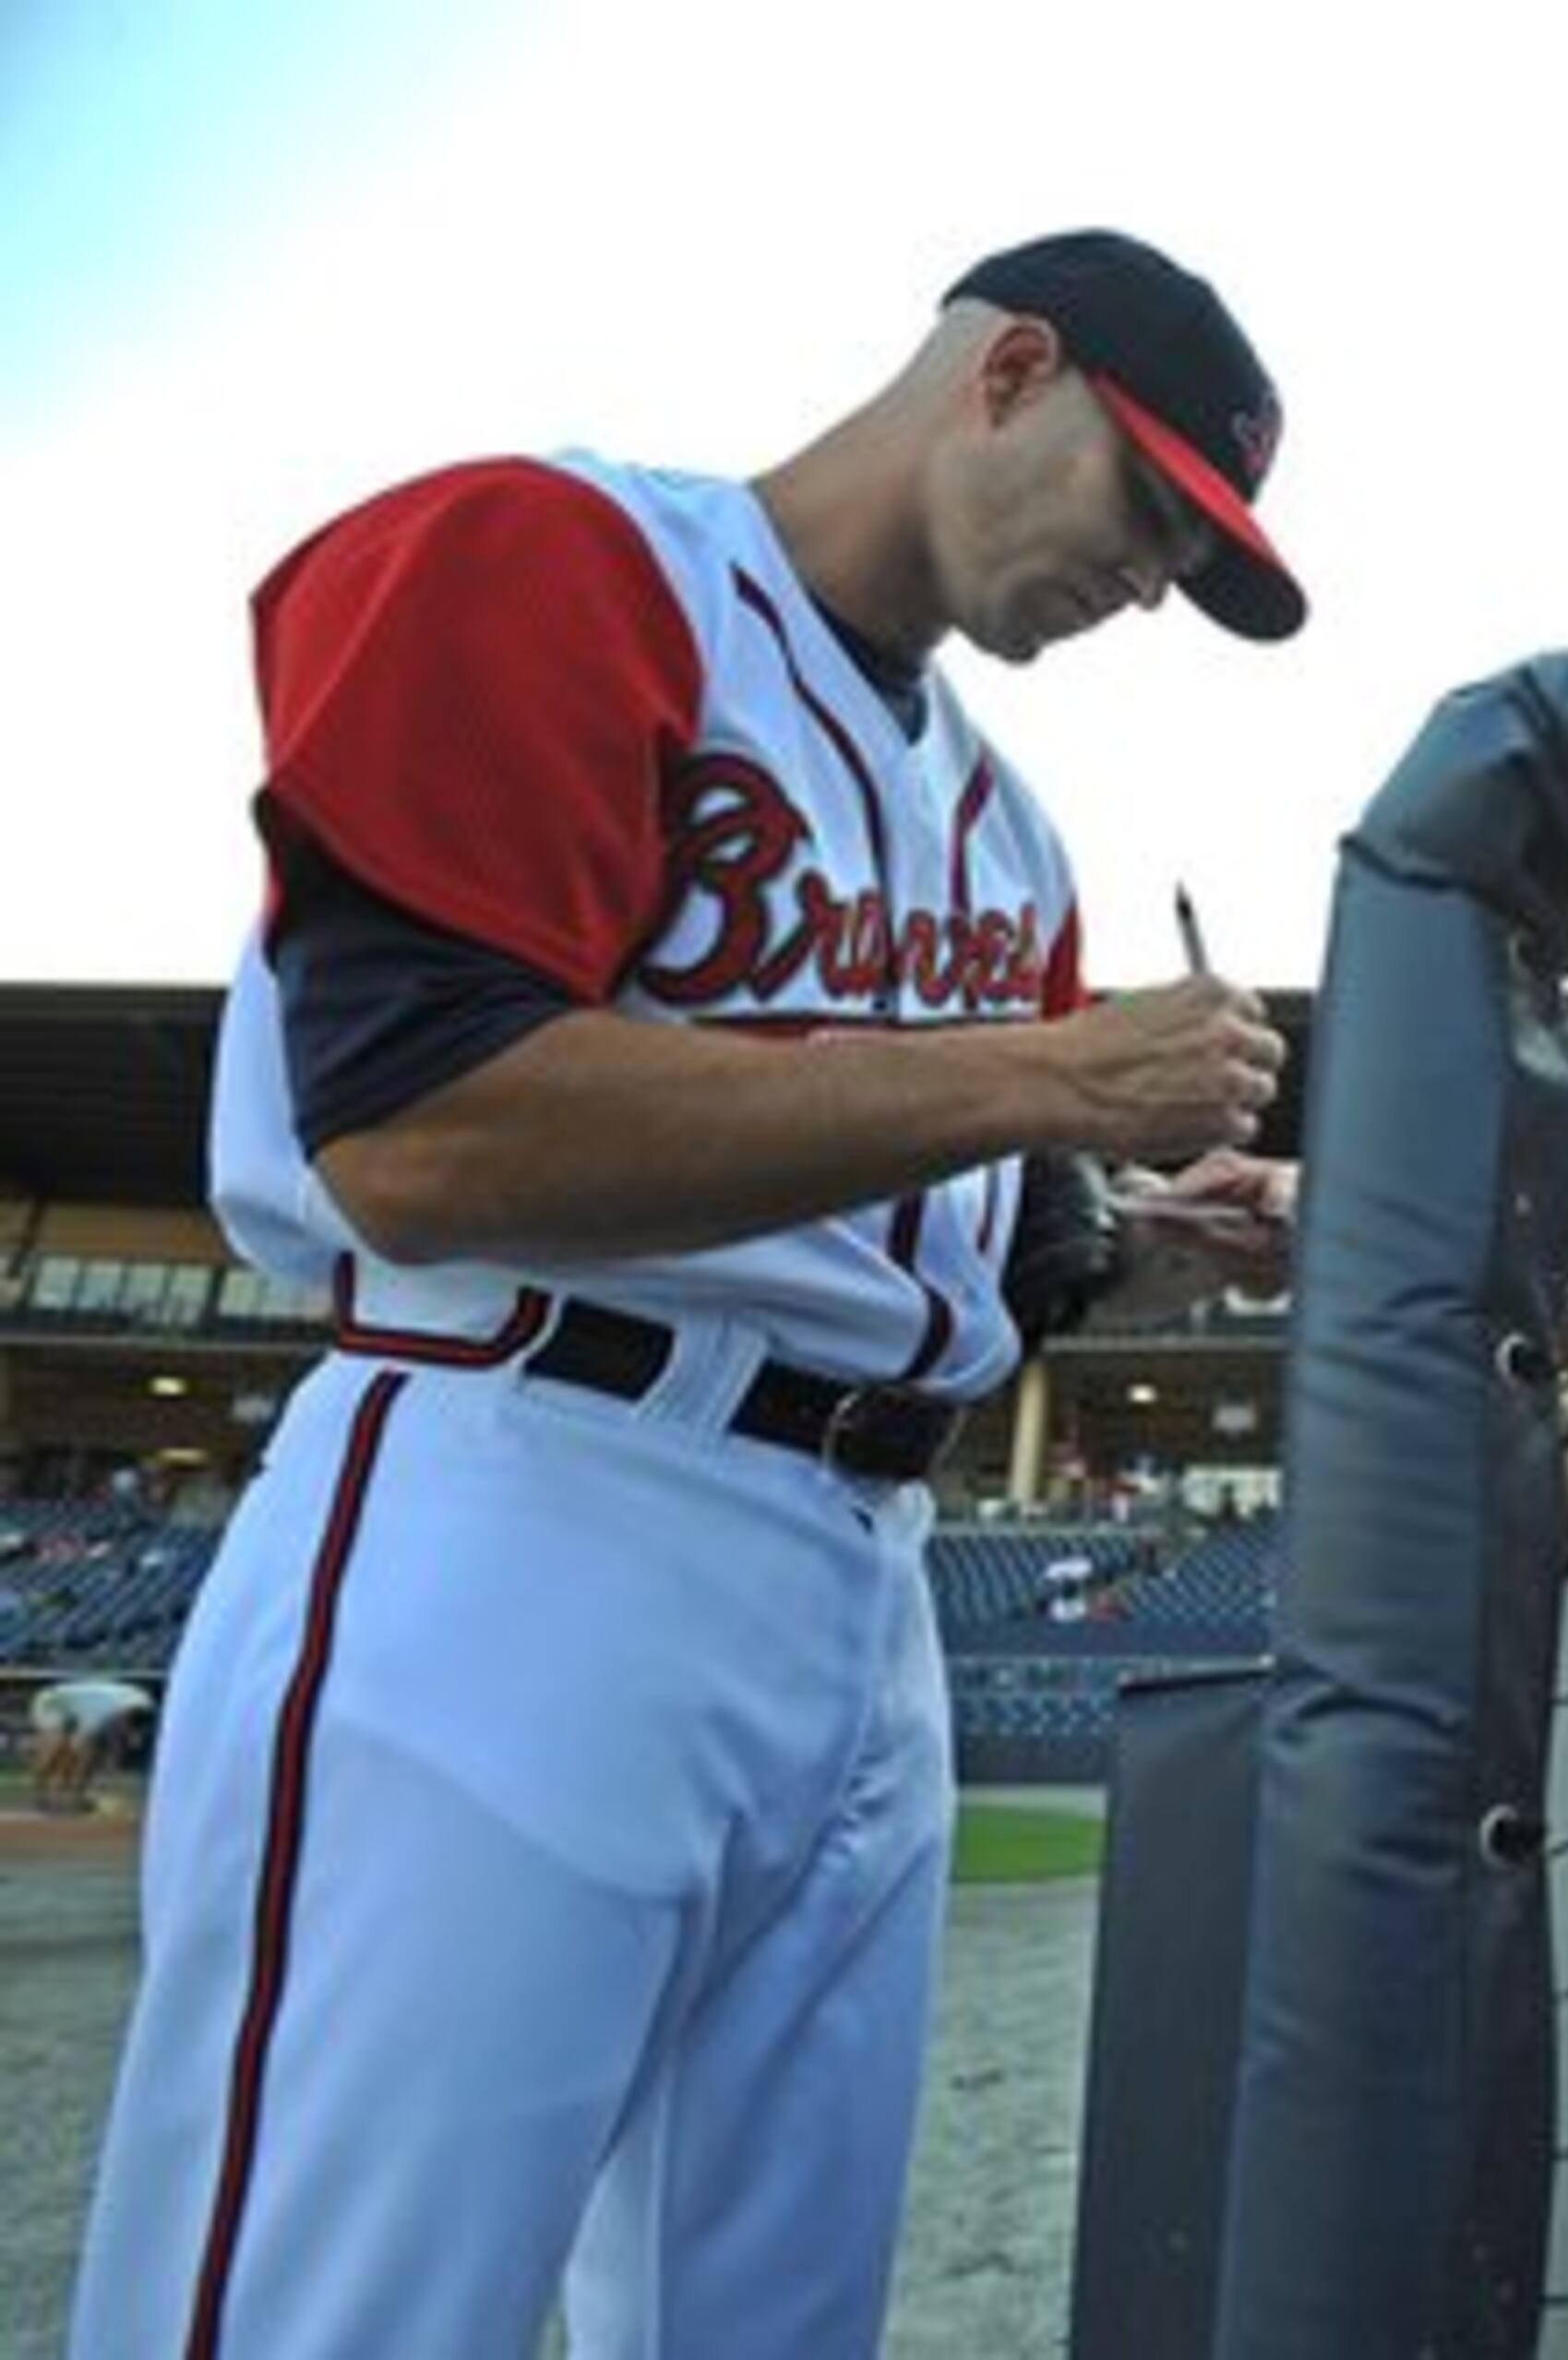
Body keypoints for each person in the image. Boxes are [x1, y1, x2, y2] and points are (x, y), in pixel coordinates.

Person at [73, 229, 1305, 2358]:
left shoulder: (1006, 830)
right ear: (1011, 369)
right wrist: (1048, 1069)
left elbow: (952, 1246)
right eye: (1152, 513)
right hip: (527, 1510)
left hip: (864, 1575)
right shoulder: (561, 557)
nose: (1152, 587)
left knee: (760, 2320)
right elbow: (418, 1127)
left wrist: (1123, 1207)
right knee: (339, 2304)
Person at [27, 1675, 156, 1815]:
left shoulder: (146, 1707)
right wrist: (69, 1778)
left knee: (92, 1752)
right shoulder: (98, 1713)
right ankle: (44, 1794)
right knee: (59, 1748)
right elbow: (76, 1748)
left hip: (93, 1704)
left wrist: (110, 1771)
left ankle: (76, 1795)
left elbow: (119, 1741)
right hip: (53, 1702)